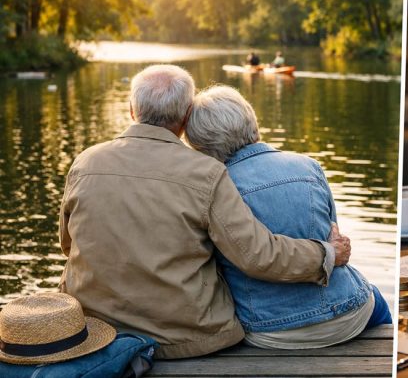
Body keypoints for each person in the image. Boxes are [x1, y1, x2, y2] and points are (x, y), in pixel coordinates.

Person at [58, 64, 352, 358]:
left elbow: (68, 244)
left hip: (95, 330)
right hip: (182, 338)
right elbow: (257, 255)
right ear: (187, 117)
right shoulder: (206, 172)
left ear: (131, 110)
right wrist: (326, 253)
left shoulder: (85, 162)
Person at [184, 85, 391, 349]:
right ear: (251, 121)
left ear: (201, 144)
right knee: (375, 298)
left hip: (270, 330)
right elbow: (334, 236)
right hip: (347, 313)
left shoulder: (214, 189)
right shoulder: (308, 166)